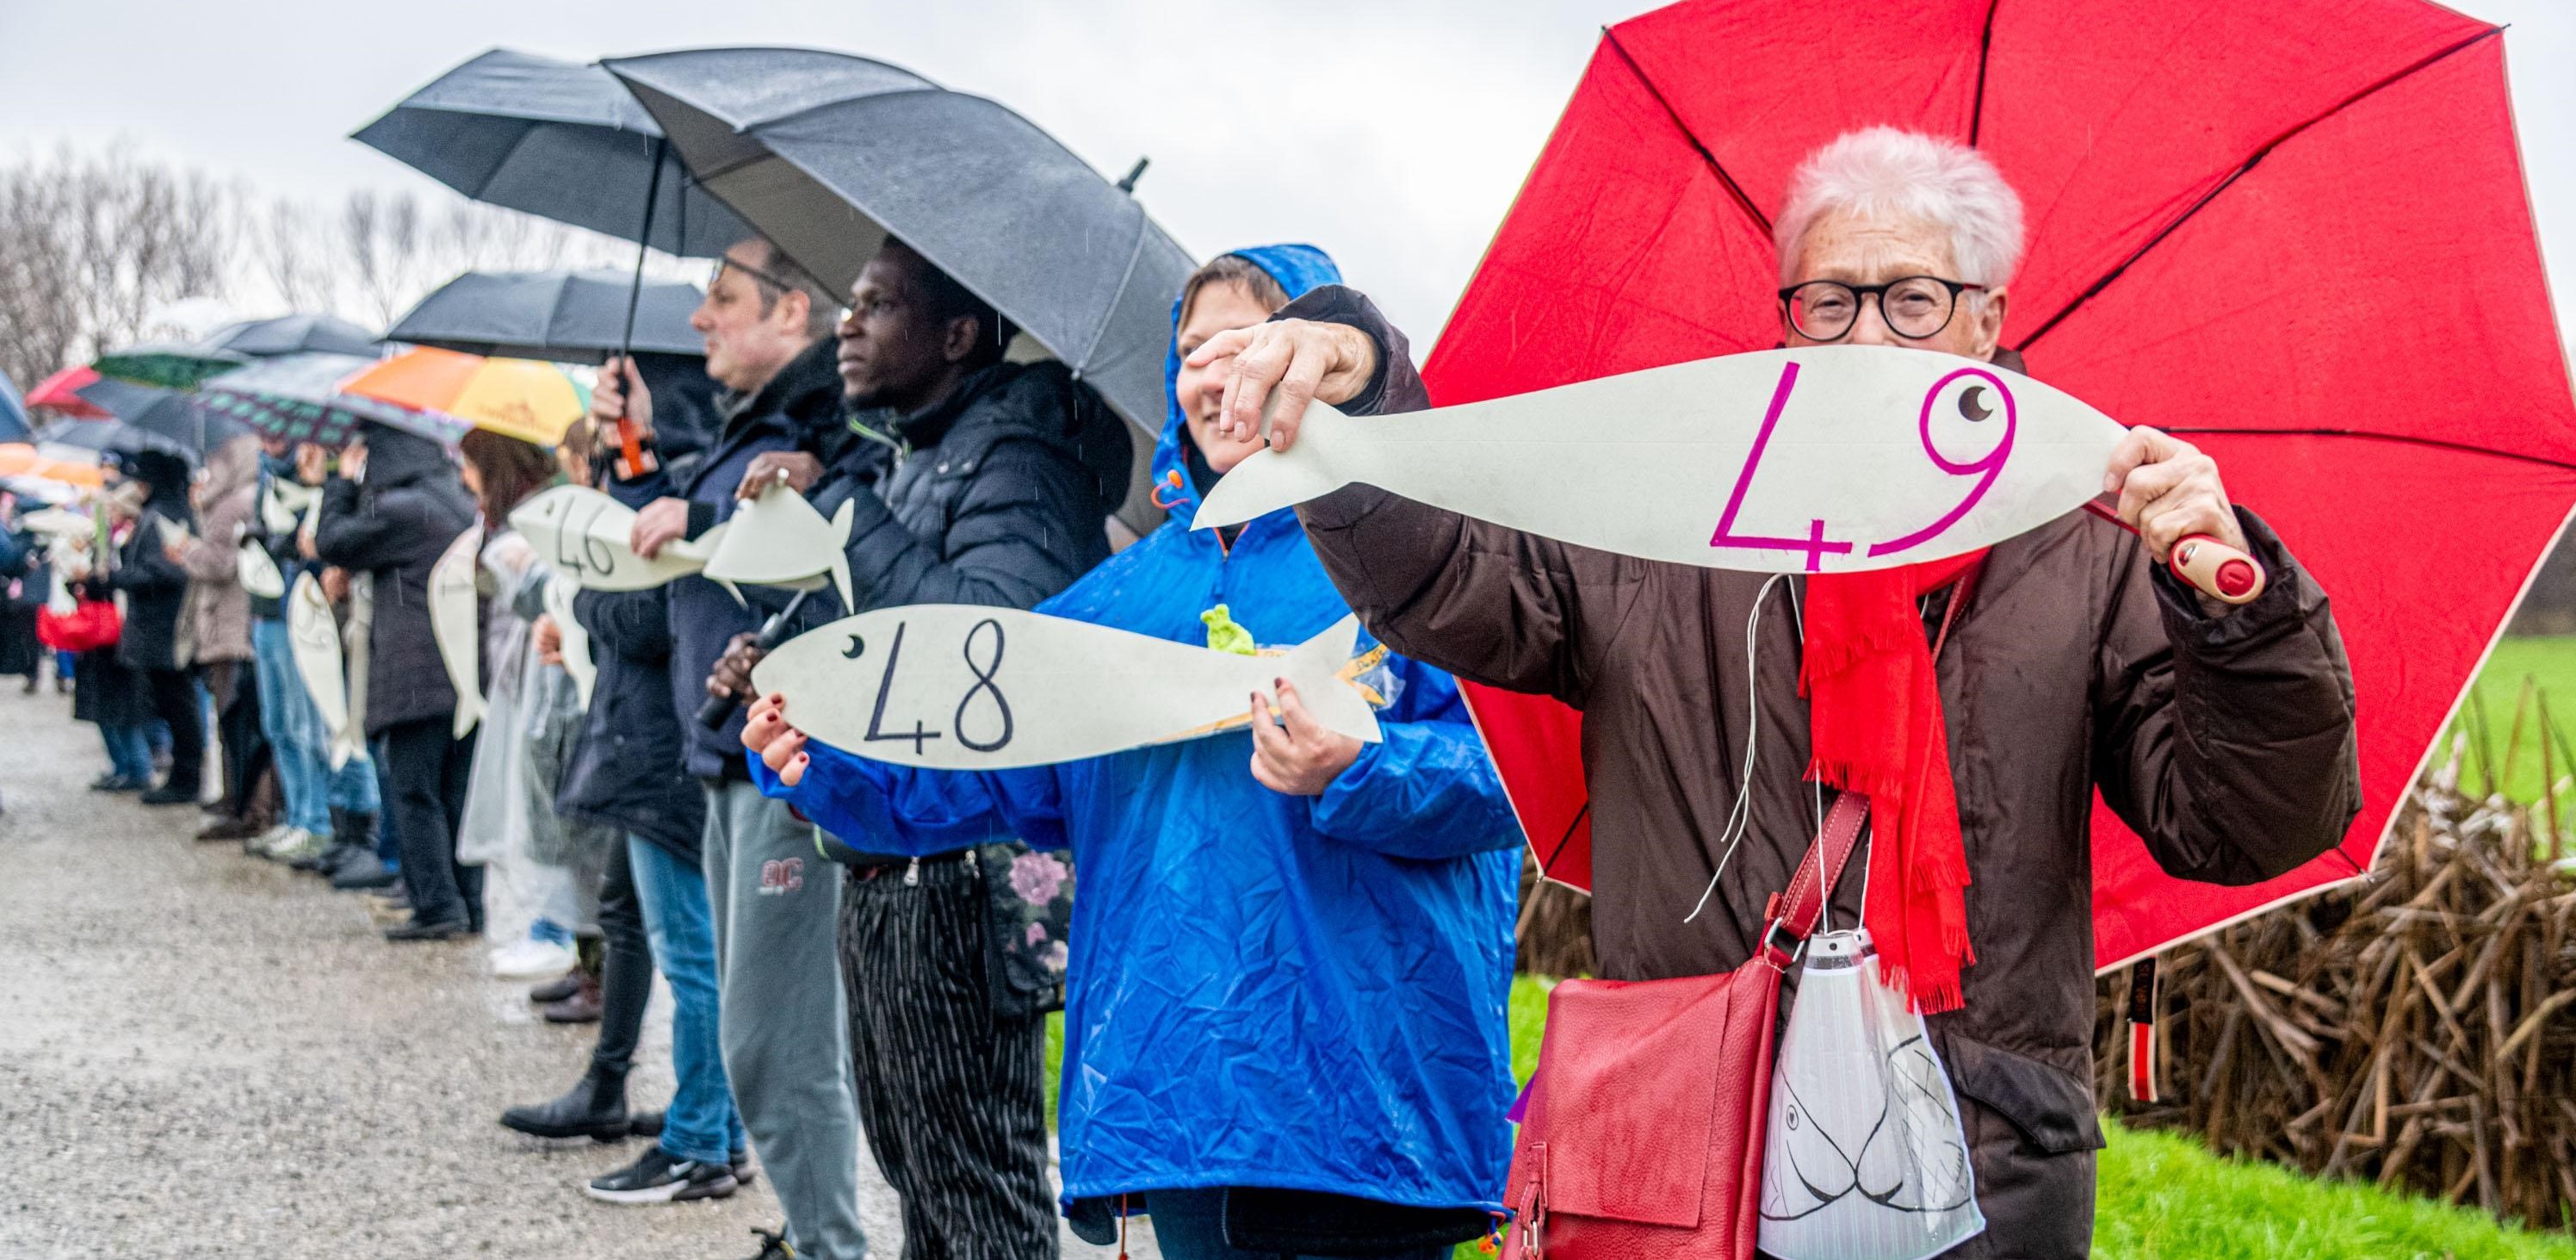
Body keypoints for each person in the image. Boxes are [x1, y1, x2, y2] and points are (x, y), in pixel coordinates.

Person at [1194, 129, 2362, 1257]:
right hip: (1692, 1136)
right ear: (1789, 321)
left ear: (1988, 319)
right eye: (1829, 301)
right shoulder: (1667, 508)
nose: (1866, 336)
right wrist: (1363, 400)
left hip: (1981, 1161)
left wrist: (2235, 607)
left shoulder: (2093, 544)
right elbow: (1455, 574)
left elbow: (2243, 820)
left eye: (1911, 299)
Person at [742, 245, 1520, 1260]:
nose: (1214, 370)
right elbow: (984, 769)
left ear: (1320, 359)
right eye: (1194, 348)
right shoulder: (1117, 600)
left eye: (1246, 341)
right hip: (1175, 1098)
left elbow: (1513, 779)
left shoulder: (1422, 556)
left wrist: (1359, 767)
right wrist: (824, 761)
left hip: (1364, 1098)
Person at [706, 234, 1134, 1258]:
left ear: (958, 333)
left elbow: (993, 650)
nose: (847, 323)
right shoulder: (922, 450)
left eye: (877, 305)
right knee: (917, 1171)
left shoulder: (1021, 458)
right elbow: (890, 635)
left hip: (967, 873)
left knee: (975, 1183)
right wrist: (783, 651)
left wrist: (847, 519)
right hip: (891, 860)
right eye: (850, 302)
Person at [596, 235, 855, 1229]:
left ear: (793, 310)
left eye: (724, 296)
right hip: (722, 756)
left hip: (787, 761)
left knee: (774, 1044)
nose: (701, 316)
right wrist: (629, 451)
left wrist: (706, 499)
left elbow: (818, 523)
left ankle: (828, 1242)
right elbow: (647, 571)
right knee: (770, 1045)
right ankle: (807, 1231)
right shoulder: (750, 421)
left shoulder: (825, 419)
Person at [313, 420, 480, 941]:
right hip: (459, 669)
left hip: (414, 674)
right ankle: (467, 903)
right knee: (452, 793)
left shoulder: (402, 508)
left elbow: (332, 540)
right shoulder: (453, 501)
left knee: (413, 792)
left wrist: (340, 481)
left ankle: (437, 908)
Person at [246, 438, 387, 884]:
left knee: (329, 725)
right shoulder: (280, 476)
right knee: (286, 725)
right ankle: (315, 821)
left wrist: (331, 484)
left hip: (337, 615)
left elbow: (339, 538)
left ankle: (340, 827)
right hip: (297, 606)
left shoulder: (356, 472)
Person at [172, 434, 269, 842]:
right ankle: (243, 801)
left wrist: (185, 551)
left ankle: (244, 805)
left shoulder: (232, 504)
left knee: (234, 720)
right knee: (241, 720)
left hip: (229, 625)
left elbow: (219, 563)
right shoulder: (249, 497)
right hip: (241, 624)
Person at [108, 448, 206, 809]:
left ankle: (186, 776)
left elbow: (168, 571)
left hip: (165, 627)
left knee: (179, 705)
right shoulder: (162, 511)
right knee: (173, 703)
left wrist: (118, 577)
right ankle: (183, 775)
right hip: (157, 626)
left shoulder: (166, 514)